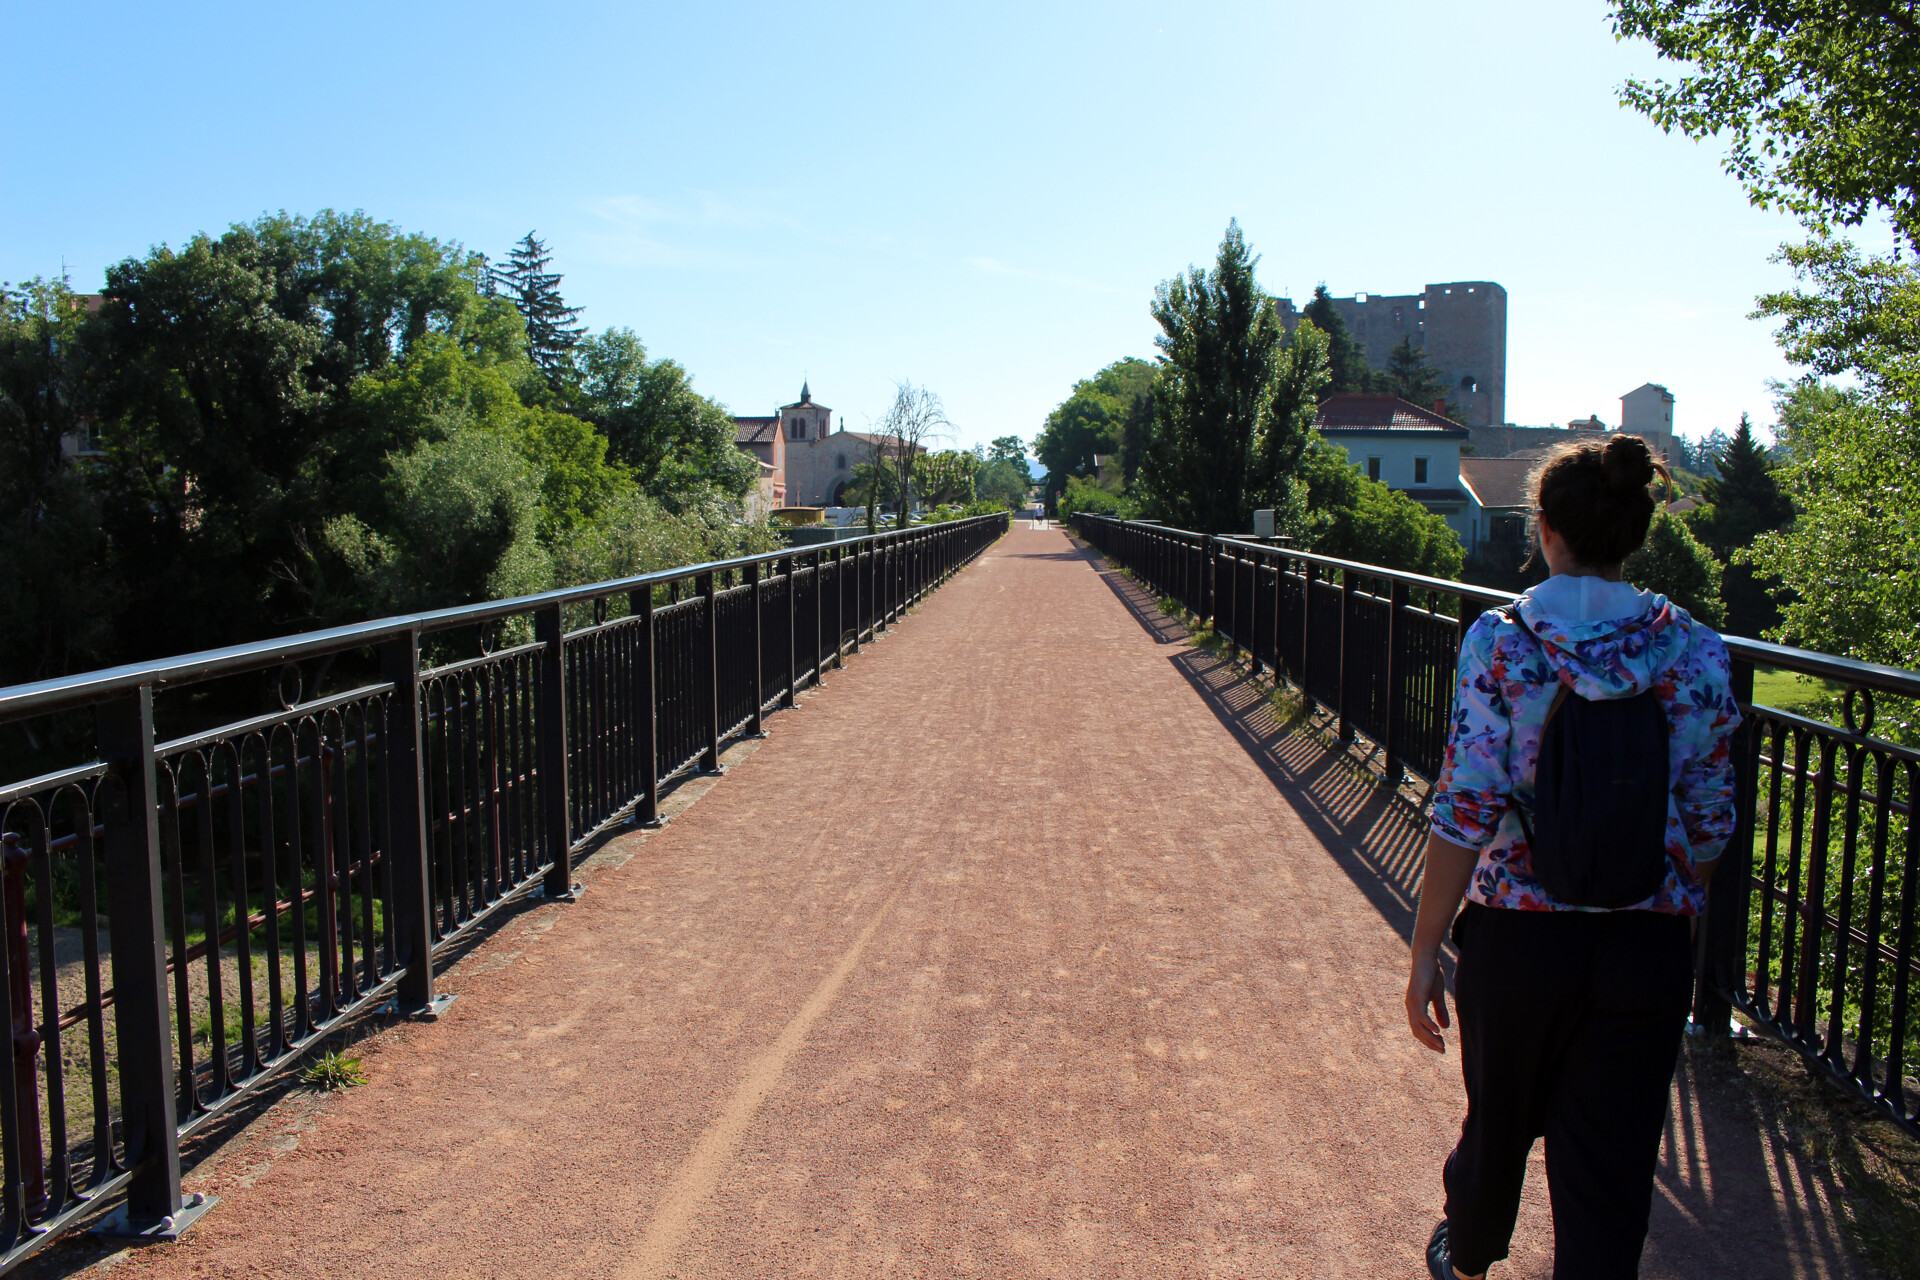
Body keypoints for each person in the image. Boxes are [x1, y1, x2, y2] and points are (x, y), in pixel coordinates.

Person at [1405, 435, 1741, 1279]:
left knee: (1500, 1115)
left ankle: (1472, 1250)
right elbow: (1709, 818)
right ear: (1636, 528)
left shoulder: (1503, 641)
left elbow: (1468, 803)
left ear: (1543, 527)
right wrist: (1665, 907)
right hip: (1645, 941)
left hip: (1520, 936)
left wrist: (1424, 948)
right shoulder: (1698, 650)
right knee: (1614, 1157)